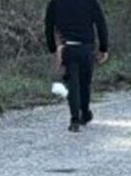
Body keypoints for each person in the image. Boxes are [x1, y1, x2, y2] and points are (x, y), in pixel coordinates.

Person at [45, 0, 110, 132]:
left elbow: (49, 25)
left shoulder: (55, 3)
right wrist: (103, 48)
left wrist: (52, 48)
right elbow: (100, 23)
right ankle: (85, 113)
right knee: (84, 83)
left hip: (67, 47)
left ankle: (74, 119)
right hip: (86, 47)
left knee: (72, 83)